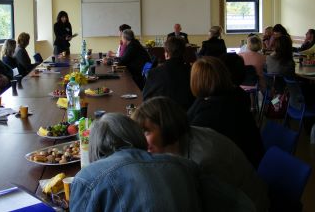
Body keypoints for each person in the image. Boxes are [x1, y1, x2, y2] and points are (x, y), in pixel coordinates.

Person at [70, 113, 256, 212]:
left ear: (95, 147)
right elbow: (243, 205)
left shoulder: (87, 178)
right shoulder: (185, 166)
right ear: (136, 135)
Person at [133, 97, 269, 212]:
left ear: (166, 127)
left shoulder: (204, 161)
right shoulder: (184, 137)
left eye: (146, 132)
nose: (141, 140)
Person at [187, 57, 264, 168]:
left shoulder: (211, 111)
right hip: (249, 162)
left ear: (196, 81)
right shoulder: (236, 95)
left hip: (237, 171)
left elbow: (189, 135)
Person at [143, 37, 194, 110]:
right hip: (188, 117)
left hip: (163, 117)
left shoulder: (154, 73)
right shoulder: (193, 71)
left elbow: (146, 100)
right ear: (183, 52)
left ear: (166, 54)